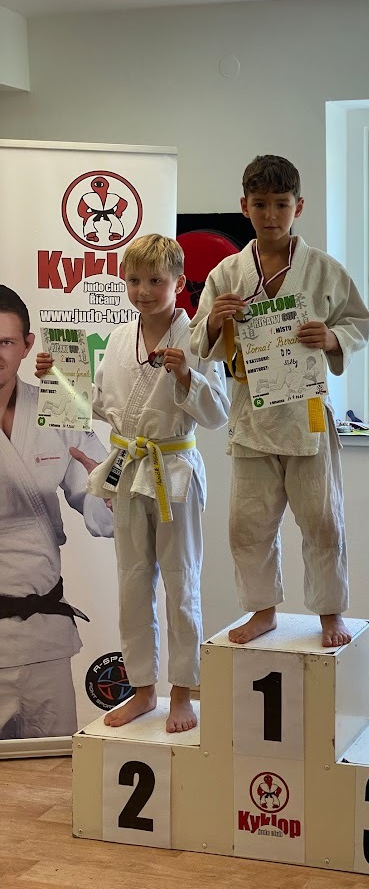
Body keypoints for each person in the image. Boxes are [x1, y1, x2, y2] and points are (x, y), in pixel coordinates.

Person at [37, 235, 230, 733]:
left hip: (173, 469)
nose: (143, 291)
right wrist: (57, 379)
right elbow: (99, 407)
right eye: (134, 280)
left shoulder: (196, 340)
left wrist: (187, 376)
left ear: (179, 283)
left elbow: (218, 414)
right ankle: (143, 690)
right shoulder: (121, 338)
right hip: (128, 469)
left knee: (181, 583)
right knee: (132, 583)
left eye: (155, 281)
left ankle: (182, 693)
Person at [190, 154, 369, 648]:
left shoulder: (323, 270)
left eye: (281, 204)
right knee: (247, 524)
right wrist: (214, 319)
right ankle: (263, 610)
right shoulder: (227, 273)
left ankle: (330, 612)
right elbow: (197, 340)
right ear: (244, 206)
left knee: (323, 519)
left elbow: (358, 322)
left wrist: (332, 338)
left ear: (299, 206)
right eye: (261, 204)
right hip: (251, 413)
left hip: (306, 410)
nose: (271, 215)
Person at [0, 285, 113, 740]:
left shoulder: (58, 410)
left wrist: (112, 487)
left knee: (50, 768)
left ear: (28, 345)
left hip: (42, 635)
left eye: (5, 342)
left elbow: (99, 499)